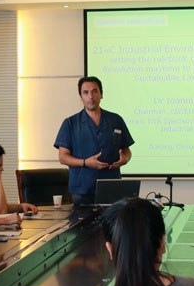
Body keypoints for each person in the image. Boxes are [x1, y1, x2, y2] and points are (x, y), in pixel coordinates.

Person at [54, 76, 134, 205]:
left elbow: (127, 151)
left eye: (94, 91)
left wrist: (125, 159)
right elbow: (63, 157)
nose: (91, 96)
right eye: (85, 92)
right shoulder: (70, 123)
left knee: (113, 218)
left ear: (101, 94)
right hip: (82, 189)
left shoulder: (116, 120)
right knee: (82, 218)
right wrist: (85, 162)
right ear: (81, 97)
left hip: (111, 186)